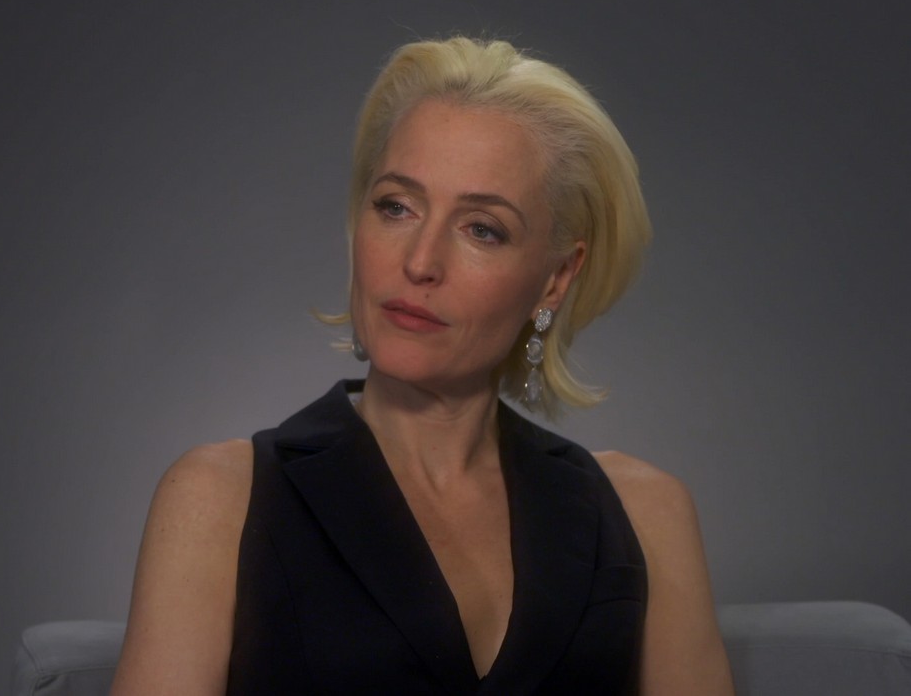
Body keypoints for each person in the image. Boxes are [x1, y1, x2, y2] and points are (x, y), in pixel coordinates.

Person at [110, 36, 733, 695]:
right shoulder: (218, 498)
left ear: (556, 278)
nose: (420, 261)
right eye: (396, 207)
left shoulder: (644, 512)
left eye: (482, 228)